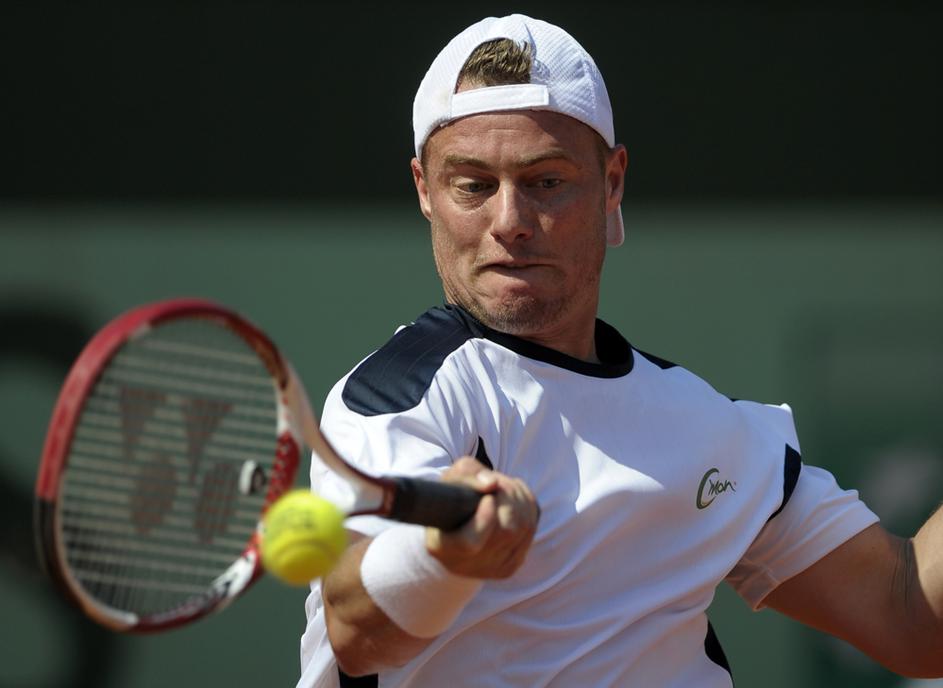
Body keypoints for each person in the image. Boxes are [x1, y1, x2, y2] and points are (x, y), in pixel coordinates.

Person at [298, 14, 943, 687]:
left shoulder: (701, 425)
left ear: (611, 183)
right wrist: (442, 553)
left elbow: (913, 618)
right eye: (473, 185)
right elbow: (358, 632)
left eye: (546, 182)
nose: (509, 222)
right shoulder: (404, 397)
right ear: (425, 190)